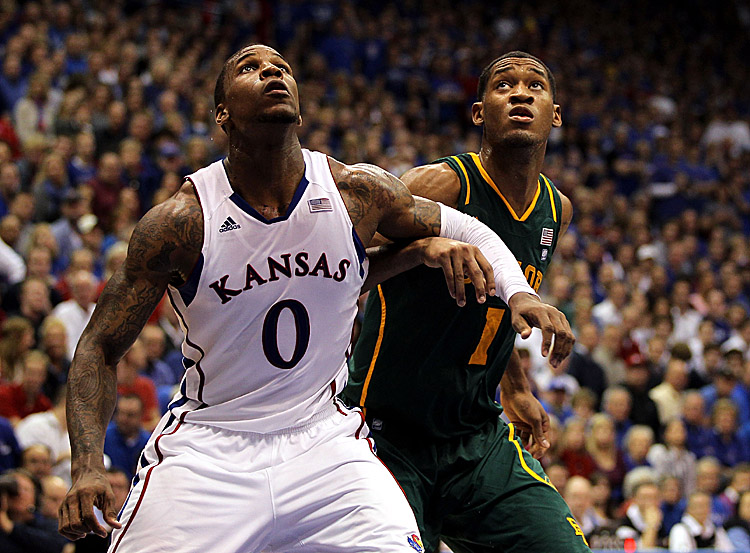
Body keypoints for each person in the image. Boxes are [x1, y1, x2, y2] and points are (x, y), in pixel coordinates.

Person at [59, 44, 573, 552]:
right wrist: (87, 467)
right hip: (212, 445)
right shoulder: (180, 222)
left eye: (281, 67)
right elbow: (98, 348)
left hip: (325, 440)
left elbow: (471, 233)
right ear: (222, 114)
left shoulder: (354, 193)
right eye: (251, 68)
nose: (271, 73)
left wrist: (515, 292)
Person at [344, 50, 585, 552]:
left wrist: (516, 387)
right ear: (479, 113)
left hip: (475, 435)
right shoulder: (441, 184)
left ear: (555, 115)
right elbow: (338, 267)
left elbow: (499, 313)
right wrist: (421, 250)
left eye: (535, 85)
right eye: (504, 84)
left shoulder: (554, 209)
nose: (521, 93)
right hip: (383, 433)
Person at [668, 491, 735, 551]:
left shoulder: (715, 529)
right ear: (688, 508)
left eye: (705, 506)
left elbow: (728, 550)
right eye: (697, 506)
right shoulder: (680, 530)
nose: (701, 510)